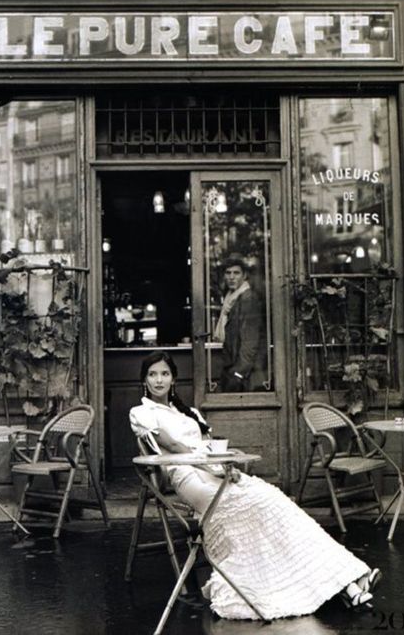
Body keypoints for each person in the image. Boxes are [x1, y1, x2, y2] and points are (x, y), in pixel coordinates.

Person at [129, 350, 382, 622]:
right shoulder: (142, 412)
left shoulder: (189, 412)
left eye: (164, 374)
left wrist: (228, 467)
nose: (159, 380)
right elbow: (176, 448)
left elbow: (209, 446)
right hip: (188, 477)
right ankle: (345, 584)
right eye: (153, 374)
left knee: (275, 502)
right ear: (144, 379)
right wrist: (217, 467)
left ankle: (348, 582)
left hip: (213, 471)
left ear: (173, 379)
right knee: (256, 506)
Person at [214, 253, 266, 392]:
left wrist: (238, 373)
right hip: (235, 369)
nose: (231, 277)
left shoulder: (247, 299)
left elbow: (250, 340)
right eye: (228, 273)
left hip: (245, 374)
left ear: (244, 276)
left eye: (236, 273)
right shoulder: (231, 298)